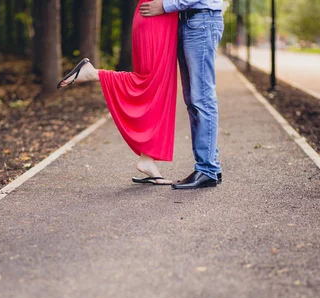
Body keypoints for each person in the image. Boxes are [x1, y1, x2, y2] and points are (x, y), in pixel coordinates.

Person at [58, 0, 179, 186]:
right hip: (156, 15)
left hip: (160, 16)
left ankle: (147, 160)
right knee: (149, 83)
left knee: (158, 88)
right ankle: (93, 73)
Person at [140, 0, 224, 189]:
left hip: (202, 21)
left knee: (202, 99)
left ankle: (207, 170)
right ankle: (210, 165)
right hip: (189, 22)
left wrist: (165, 6)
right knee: (193, 100)